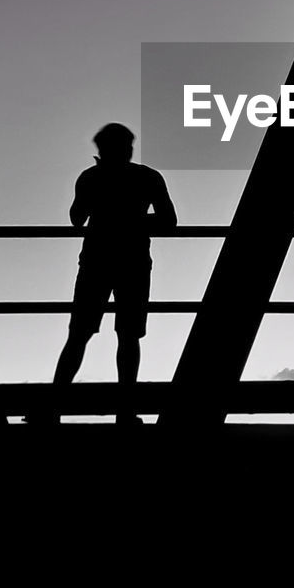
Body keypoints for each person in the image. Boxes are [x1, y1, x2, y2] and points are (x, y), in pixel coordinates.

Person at [32, 122, 177, 426]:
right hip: (134, 261)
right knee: (129, 336)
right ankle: (125, 412)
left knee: (79, 335)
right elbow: (168, 221)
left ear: (101, 149)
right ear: (128, 147)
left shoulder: (91, 177)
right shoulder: (148, 177)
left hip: (96, 260)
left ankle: (53, 409)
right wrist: (134, 222)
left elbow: (75, 219)